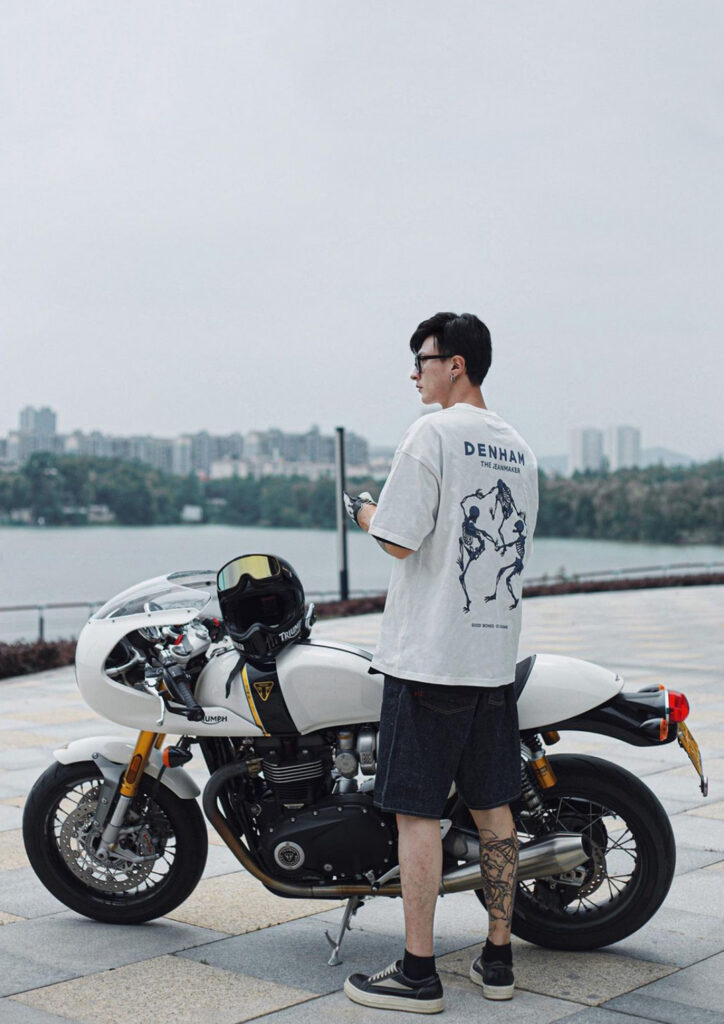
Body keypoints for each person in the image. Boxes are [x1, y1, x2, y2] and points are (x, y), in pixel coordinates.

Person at [342, 312, 538, 1015]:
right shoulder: (518, 447)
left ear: (456, 363)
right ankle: (497, 958)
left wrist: (363, 512)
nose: (415, 372)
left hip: (429, 660)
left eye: (422, 359)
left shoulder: (432, 433)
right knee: (494, 811)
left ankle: (418, 973)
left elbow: (398, 540)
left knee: (417, 816)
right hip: (491, 660)